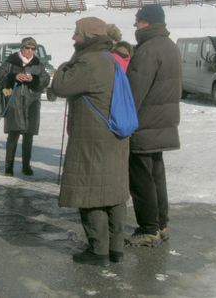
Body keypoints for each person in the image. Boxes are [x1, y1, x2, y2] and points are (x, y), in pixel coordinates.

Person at [51, 17, 130, 267]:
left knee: (90, 192)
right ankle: (115, 249)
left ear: (88, 36)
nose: (73, 38)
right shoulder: (109, 57)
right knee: (113, 192)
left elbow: (61, 86)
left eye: (77, 34)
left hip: (92, 137)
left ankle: (98, 251)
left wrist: (66, 63)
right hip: (113, 134)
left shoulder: (88, 60)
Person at [125, 4, 182, 247]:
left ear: (147, 22)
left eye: (137, 20)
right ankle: (162, 224)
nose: (135, 25)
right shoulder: (169, 46)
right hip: (162, 122)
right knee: (157, 175)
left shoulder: (148, 50)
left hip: (144, 124)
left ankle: (149, 229)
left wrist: (122, 120)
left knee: (141, 179)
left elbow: (134, 92)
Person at [0, 37, 50, 176]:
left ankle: (26, 166)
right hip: (14, 102)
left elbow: (46, 80)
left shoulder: (38, 64)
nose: (30, 51)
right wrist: (13, 77)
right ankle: (9, 166)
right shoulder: (10, 62)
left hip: (32, 103)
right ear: (22, 48)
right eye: (27, 48)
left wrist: (33, 79)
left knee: (28, 135)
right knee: (13, 134)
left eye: (33, 49)